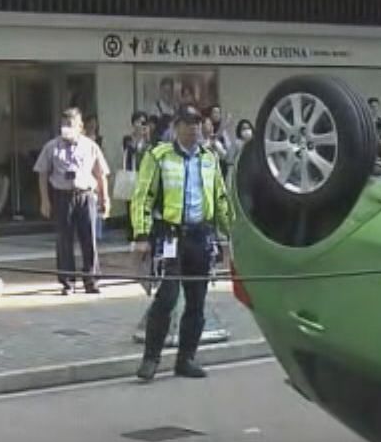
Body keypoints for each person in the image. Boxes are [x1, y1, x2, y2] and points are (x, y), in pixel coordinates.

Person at [131, 105, 234, 381]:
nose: (194, 128)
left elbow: (221, 197)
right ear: (176, 126)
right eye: (188, 123)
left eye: (198, 123)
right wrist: (141, 236)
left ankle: (186, 359)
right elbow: (142, 196)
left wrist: (230, 233)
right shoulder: (159, 156)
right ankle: (151, 359)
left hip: (201, 236)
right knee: (166, 297)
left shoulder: (209, 158)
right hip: (170, 236)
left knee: (197, 301)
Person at [33, 107, 111, 295]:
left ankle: (91, 280)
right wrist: (45, 200)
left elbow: (101, 174)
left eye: (70, 124)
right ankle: (67, 282)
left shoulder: (90, 146)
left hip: (86, 195)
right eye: (63, 124)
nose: (66, 128)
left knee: (89, 239)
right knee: (64, 240)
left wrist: (104, 198)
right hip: (62, 196)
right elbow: (42, 174)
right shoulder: (52, 147)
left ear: (80, 126)